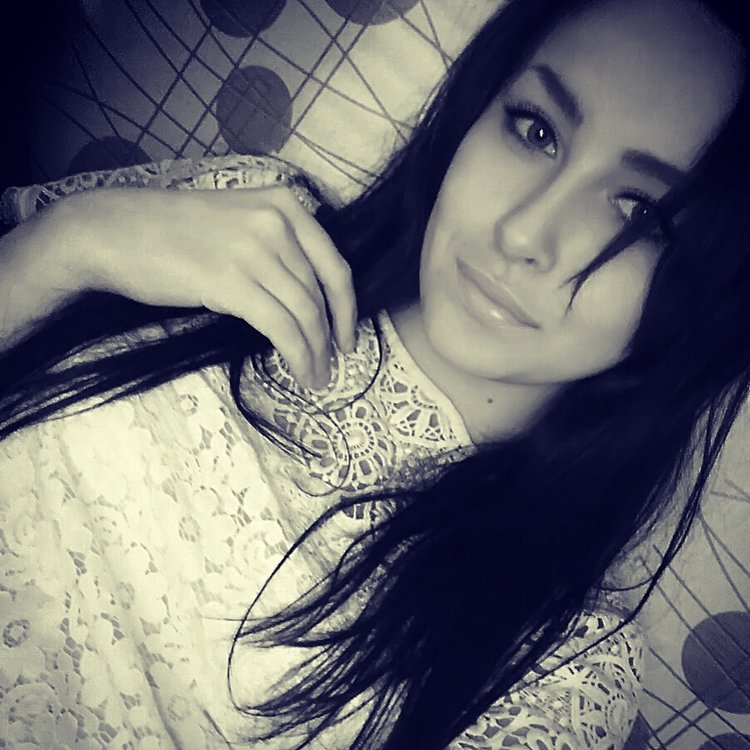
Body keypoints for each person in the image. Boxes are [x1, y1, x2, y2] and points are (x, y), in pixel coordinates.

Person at [0, 0, 748, 747]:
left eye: (639, 212)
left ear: (706, 302)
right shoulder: (254, 209)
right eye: (535, 130)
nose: (523, 231)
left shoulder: (560, 671)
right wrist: (67, 246)